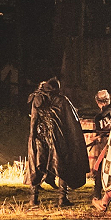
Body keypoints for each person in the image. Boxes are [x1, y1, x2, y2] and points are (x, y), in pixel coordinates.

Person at [25, 78, 90, 207]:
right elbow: (71, 124)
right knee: (62, 166)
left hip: (39, 137)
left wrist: (32, 139)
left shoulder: (36, 99)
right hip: (58, 139)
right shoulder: (62, 100)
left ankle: (34, 198)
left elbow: (33, 121)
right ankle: (62, 198)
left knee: (37, 165)